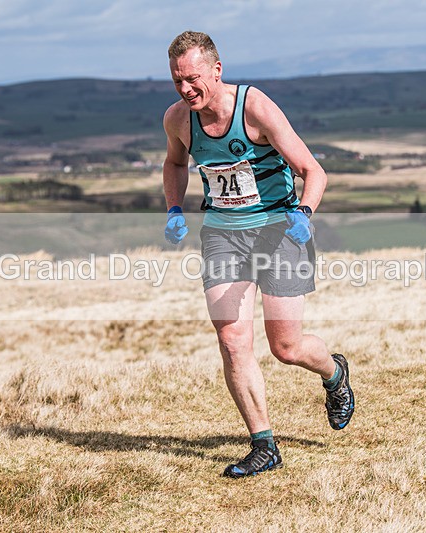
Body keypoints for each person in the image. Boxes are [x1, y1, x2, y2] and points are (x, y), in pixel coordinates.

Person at [162, 31, 354, 478]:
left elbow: (313, 170)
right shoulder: (177, 120)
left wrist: (304, 212)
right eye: (177, 81)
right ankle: (264, 445)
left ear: (216, 70)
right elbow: (175, 163)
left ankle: (334, 373)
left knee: (286, 347)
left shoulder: (255, 108)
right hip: (223, 237)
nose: (186, 90)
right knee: (232, 340)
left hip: (280, 233)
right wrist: (174, 207)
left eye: (192, 79)